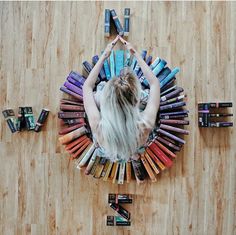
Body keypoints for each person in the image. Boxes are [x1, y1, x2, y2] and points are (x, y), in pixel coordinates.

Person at [83, 35, 160, 162]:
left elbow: (87, 87)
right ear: (136, 101)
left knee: (97, 93)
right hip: (134, 144)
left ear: (107, 101)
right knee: (146, 95)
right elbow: (154, 84)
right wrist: (135, 54)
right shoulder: (146, 124)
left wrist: (104, 56)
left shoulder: (97, 125)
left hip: (109, 144)